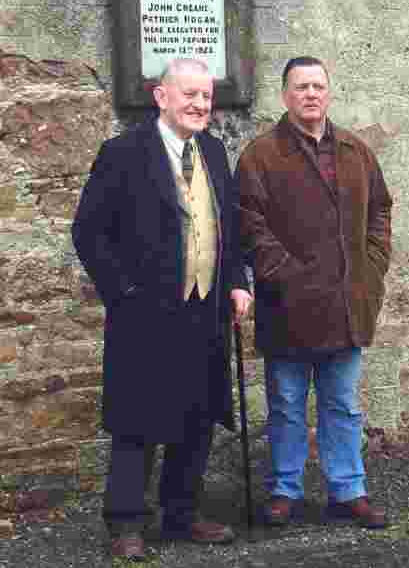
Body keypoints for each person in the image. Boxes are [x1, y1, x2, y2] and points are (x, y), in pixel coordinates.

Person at [72, 58, 252, 561]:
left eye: (206, 96)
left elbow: (229, 229)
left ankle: (181, 513)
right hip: (143, 315)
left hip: (205, 309)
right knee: (137, 419)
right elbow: (88, 232)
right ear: (161, 97)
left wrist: (237, 282)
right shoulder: (123, 153)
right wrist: (123, 295)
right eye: (189, 94)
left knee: (195, 415)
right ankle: (127, 523)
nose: (199, 104)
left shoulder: (213, 153)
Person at [235, 56, 392, 529]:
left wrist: (371, 268)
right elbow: (249, 224)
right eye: (301, 86)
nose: (311, 94)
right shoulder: (260, 155)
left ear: (329, 93)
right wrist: (286, 274)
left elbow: (381, 211)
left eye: (318, 86)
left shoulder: (356, 151)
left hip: (347, 305)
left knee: (342, 404)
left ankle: (349, 490)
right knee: (285, 404)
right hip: (288, 306)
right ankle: (285, 489)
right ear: (285, 95)